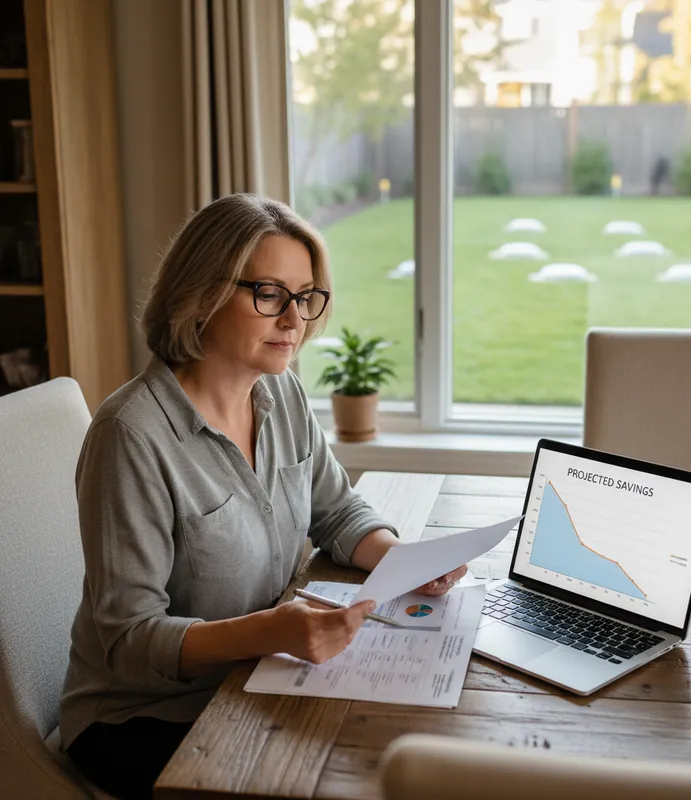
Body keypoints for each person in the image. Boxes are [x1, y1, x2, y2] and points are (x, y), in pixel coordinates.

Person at [61, 194, 466, 799]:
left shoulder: (282, 395)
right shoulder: (131, 437)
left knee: (408, 749)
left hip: (255, 678)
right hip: (143, 718)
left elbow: (337, 509)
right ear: (202, 293)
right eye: (270, 294)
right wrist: (271, 632)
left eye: (305, 298)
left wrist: (403, 561)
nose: (294, 320)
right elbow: (128, 641)